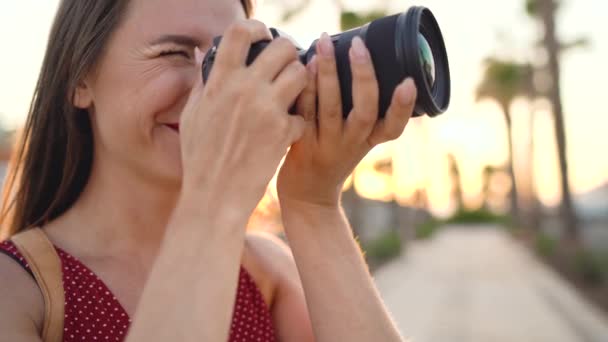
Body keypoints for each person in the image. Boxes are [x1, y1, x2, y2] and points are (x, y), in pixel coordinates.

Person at [0, 0, 418, 341]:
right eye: (174, 53)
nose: (214, 88)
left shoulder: (264, 270)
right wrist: (214, 197)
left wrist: (314, 205)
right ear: (80, 79)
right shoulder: (19, 291)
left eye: (234, 57)